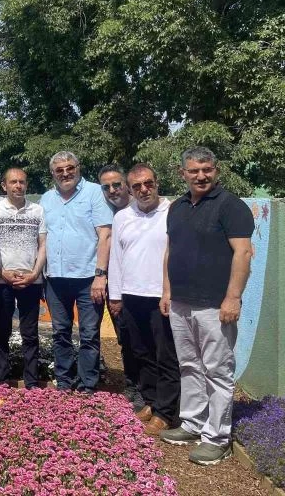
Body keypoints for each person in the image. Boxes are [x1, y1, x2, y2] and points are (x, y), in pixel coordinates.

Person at [160, 147, 254, 465]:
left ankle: (217, 438)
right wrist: (167, 292)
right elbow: (171, 252)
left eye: (207, 169)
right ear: (182, 173)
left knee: (217, 371)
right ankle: (192, 423)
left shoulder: (231, 206)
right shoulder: (177, 207)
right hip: (181, 303)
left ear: (216, 170)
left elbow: (242, 254)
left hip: (215, 306)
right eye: (194, 170)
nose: (201, 175)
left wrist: (233, 297)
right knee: (189, 365)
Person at [108, 164, 180, 436]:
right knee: (141, 353)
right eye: (136, 186)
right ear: (129, 189)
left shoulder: (172, 212)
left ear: (157, 182)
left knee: (166, 355)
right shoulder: (123, 217)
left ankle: (166, 411)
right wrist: (115, 296)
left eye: (148, 183)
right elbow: (116, 257)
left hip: (161, 298)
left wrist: (170, 292)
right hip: (131, 296)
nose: (143, 190)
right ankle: (150, 401)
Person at [39, 152, 113, 394]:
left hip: (87, 278)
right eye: (59, 170)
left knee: (89, 334)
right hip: (55, 278)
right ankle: (64, 381)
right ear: (53, 173)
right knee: (60, 332)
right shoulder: (46, 199)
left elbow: (105, 234)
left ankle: (87, 384)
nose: (65, 173)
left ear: (78, 168)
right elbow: (42, 239)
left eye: (70, 168)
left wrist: (101, 275)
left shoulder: (94, 193)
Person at [0, 167, 47, 388]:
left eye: (22, 182)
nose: (18, 186)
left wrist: (34, 274)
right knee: (2, 331)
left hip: (31, 281)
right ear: (4, 186)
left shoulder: (38, 211)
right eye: (13, 182)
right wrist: (0, 271)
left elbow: (43, 246)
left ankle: (31, 381)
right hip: (2, 280)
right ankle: (0, 379)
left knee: (30, 333)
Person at [98, 163, 142, 410]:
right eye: (106, 187)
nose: (112, 190)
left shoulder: (143, 210)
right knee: (126, 340)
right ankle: (134, 387)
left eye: (117, 184)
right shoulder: (106, 214)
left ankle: (152, 392)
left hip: (144, 290)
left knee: (146, 344)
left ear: (126, 185)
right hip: (116, 290)